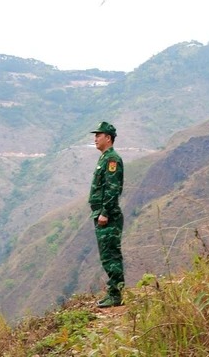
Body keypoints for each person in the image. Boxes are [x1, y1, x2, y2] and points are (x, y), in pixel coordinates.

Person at [89, 120, 125, 308]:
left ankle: (116, 294)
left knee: (111, 254)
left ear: (108, 138)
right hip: (101, 214)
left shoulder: (112, 159)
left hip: (108, 216)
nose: (95, 139)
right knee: (107, 255)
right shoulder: (104, 158)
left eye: (98, 135)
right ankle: (113, 292)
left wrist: (104, 212)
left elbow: (112, 189)